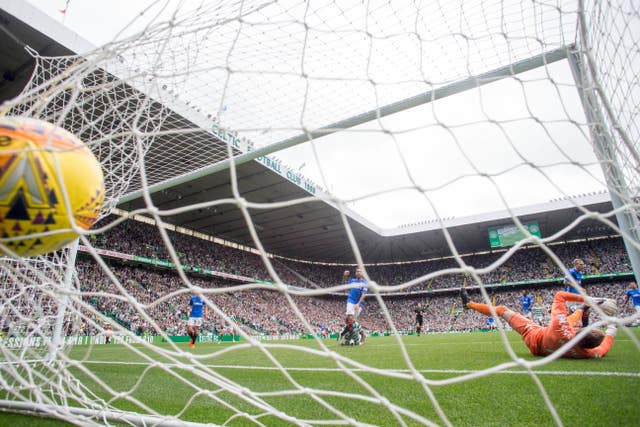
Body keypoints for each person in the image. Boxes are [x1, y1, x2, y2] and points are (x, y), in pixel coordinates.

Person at [460, 288, 616, 358]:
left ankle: (469, 304)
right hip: (546, 346)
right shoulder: (588, 354)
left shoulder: (560, 328)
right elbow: (604, 347)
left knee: (502, 310)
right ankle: (582, 309)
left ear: (580, 331)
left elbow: (560, 295)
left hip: (533, 335)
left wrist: (590, 300)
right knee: (572, 317)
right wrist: (611, 328)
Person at [562, 258, 590, 327]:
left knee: (587, 309)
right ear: (576, 265)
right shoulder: (571, 272)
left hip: (578, 295)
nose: (583, 266)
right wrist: (577, 287)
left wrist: (582, 290)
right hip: (570, 295)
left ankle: (585, 328)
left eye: (583, 264)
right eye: (581, 264)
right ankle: (567, 327)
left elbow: (578, 285)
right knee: (571, 313)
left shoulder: (580, 274)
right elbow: (565, 282)